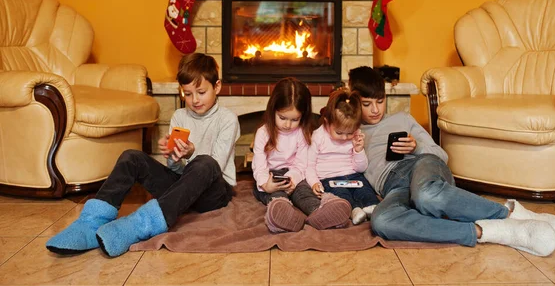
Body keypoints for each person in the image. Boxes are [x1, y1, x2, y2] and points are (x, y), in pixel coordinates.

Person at [348, 66, 555, 256]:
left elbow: (440, 154)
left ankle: (514, 214)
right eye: (367, 104)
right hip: (394, 187)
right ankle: (488, 232)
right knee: (382, 222)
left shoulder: (403, 119)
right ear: (353, 102)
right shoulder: (348, 133)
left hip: (422, 167)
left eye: (380, 101)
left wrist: (416, 146)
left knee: (426, 195)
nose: (376, 110)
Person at [46, 53, 240, 257]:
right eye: (188, 94)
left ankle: (141, 225)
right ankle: (91, 222)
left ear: (217, 87)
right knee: (132, 157)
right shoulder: (179, 116)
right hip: (184, 189)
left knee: (205, 162)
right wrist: (173, 157)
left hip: (215, 192)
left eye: (201, 92)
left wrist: (191, 152)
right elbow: (176, 171)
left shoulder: (227, 119)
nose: (195, 100)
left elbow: (215, 166)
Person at [252, 77, 351, 233]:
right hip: (271, 177)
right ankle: (283, 215)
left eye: (294, 120)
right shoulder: (263, 133)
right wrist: (266, 184)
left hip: (295, 175)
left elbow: (301, 164)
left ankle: (320, 212)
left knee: (304, 192)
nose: (287, 124)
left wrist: (292, 180)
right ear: (273, 110)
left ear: (303, 116)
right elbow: (259, 166)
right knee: (276, 196)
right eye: (282, 118)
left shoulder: (302, 133)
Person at [306, 89, 380, 225]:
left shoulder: (356, 134)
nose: (345, 137)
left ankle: (372, 207)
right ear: (327, 122)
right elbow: (309, 165)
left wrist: (358, 150)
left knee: (365, 190)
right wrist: (314, 182)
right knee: (341, 195)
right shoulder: (318, 136)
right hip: (329, 178)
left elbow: (361, 168)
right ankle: (354, 210)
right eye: (339, 132)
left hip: (353, 175)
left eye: (349, 133)